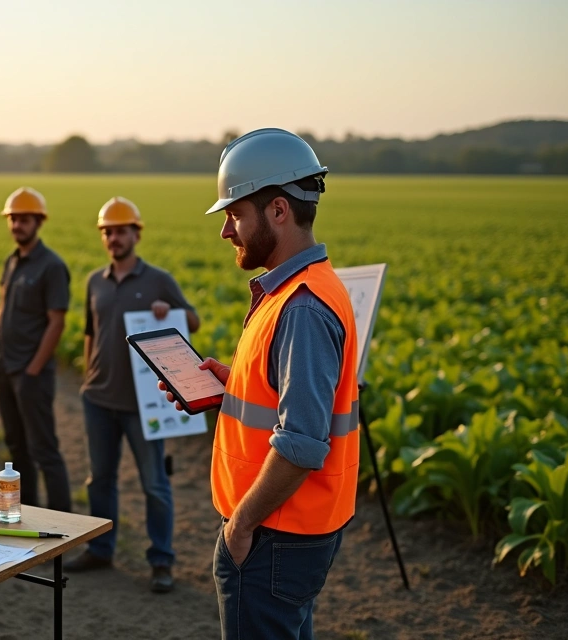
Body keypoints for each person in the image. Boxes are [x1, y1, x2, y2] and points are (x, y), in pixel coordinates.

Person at [162, 128, 359, 638]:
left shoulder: (302, 307)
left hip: (275, 531)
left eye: (234, 214)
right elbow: (291, 401)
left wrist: (241, 525)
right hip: (286, 529)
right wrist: (231, 391)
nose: (227, 230)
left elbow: (300, 443)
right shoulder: (300, 288)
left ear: (277, 210)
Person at [64, 196, 200, 594]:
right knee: (99, 480)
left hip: (144, 405)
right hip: (99, 400)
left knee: (155, 484)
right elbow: (91, 332)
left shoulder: (159, 280)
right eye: (107, 231)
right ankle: (101, 548)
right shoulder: (93, 281)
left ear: (136, 234)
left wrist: (166, 310)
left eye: (121, 230)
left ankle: (161, 560)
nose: (113, 237)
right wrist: (88, 376)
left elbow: (192, 319)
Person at [0, 186, 73, 513]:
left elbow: (56, 322)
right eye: (13, 219)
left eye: (24, 219)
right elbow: (2, 310)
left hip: (30, 374)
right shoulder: (12, 262)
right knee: (16, 448)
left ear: (38, 222)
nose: (17, 225)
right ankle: (28, 513)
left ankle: (64, 524)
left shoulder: (51, 266)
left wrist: (34, 369)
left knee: (44, 450)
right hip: (5, 370)